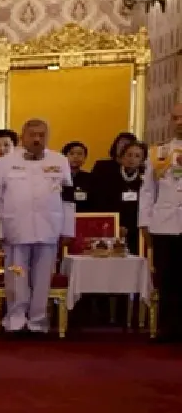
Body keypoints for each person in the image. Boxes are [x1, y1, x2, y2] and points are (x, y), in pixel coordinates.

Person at [0, 119, 75, 334]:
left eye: (41, 135)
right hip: (15, 227)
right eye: (32, 135)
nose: (37, 139)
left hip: (49, 226)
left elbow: (68, 198)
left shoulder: (60, 160)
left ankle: (38, 321)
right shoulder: (5, 162)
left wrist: (68, 229)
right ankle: (15, 320)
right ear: (23, 136)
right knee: (16, 277)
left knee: (43, 277)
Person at [141, 149, 182, 342]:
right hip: (165, 224)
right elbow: (148, 190)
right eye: (176, 118)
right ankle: (168, 328)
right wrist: (145, 222)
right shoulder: (159, 152)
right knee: (167, 278)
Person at [81, 140, 148, 253]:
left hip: (133, 232)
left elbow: (142, 208)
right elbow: (100, 203)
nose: (132, 159)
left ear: (142, 161)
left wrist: (128, 227)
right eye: (129, 155)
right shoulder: (108, 178)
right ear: (121, 158)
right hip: (106, 228)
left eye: (137, 156)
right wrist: (115, 225)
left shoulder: (144, 182)